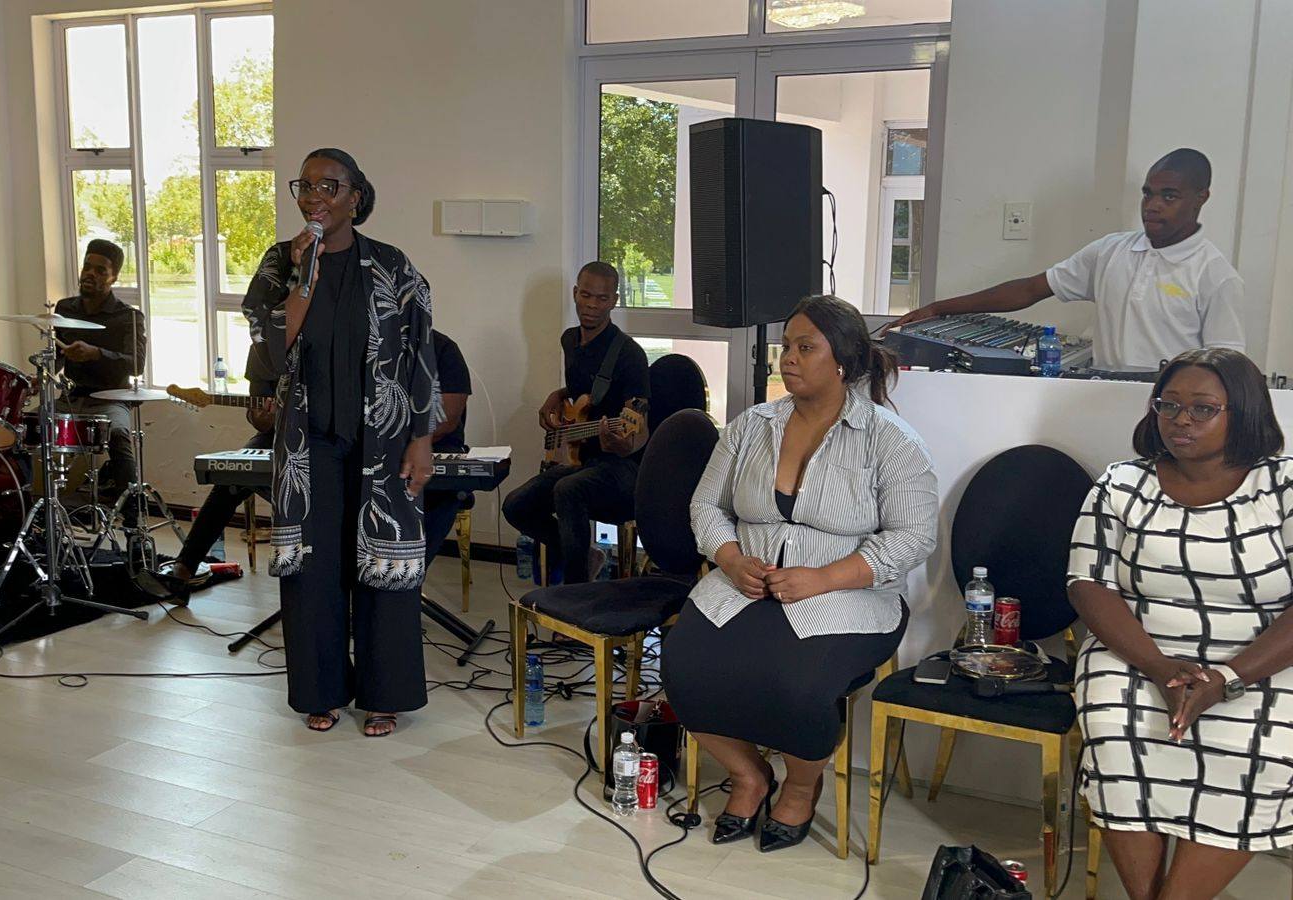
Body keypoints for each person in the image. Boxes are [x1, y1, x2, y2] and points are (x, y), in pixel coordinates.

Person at [662, 295, 938, 852]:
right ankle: (748, 776)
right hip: (743, 587)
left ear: (843, 362)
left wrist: (824, 578)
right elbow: (706, 505)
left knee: (798, 684)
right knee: (684, 667)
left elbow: (914, 536)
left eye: (805, 347)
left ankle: (801, 786)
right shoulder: (751, 427)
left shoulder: (891, 440)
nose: (788, 358)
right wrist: (731, 558)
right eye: (786, 346)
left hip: (848, 596)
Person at [1069, 347, 1293, 900]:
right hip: (1138, 650)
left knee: (1258, 750)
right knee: (1115, 734)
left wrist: (1227, 678)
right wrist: (1158, 666)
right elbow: (1087, 584)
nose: (1181, 420)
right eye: (1168, 405)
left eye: (1202, 409)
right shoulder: (1123, 483)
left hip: (1263, 658)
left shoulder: (1284, 485)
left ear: (1243, 411)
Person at [242, 147, 437, 738]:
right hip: (308, 446)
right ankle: (320, 691)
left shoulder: (393, 266)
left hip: (385, 440)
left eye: (329, 186)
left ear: (356, 196)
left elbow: (421, 355)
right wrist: (305, 275)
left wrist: (422, 439)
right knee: (312, 569)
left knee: (384, 563)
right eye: (305, 186)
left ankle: (384, 695)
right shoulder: (280, 263)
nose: (314, 196)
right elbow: (269, 354)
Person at [892, 149, 1245, 371]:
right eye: (1148, 194)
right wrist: (939, 309)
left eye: (1169, 196)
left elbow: (1226, 366)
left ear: (1201, 198)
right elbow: (1029, 290)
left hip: (1169, 411)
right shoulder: (1111, 251)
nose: (1152, 206)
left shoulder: (1214, 276)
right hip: (1099, 393)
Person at [502, 262, 649, 584]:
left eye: (602, 298)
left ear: (614, 301)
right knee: (515, 505)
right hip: (581, 459)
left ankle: (575, 591)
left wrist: (622, 444)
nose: (592, 305)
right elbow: (584, 390)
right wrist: (557, 395)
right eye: (586, 295)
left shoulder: (629, 355)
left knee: (568, 490)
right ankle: (584, 556)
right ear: (575, 294)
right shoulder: (570, 340)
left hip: (623, 467)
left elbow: (639, 429)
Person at [158, 343, 278, 604]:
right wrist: (263, 418)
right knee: (232, 474)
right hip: (277, 434)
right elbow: (257, 417)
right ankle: (183, 571)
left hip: (327, 437)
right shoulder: (262, 349)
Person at [53, 239, 145, 510]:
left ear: (114, 277)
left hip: (111, 399)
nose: (90, 274)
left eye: (100, 270)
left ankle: (132, 517)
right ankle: (28, 509)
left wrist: (97, 354)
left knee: (118, 434)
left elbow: (137, 365)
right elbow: (58, 355)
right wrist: (41, 375)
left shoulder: (128, 316)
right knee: (22, 429)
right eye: (87, 267)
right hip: (71, 398)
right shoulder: (64, 309)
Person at [422, 330, 473, 560]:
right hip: (379, 451)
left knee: (444, 490)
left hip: (437, 448)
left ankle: (414, 570)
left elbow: (445, 421)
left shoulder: (443, 348)